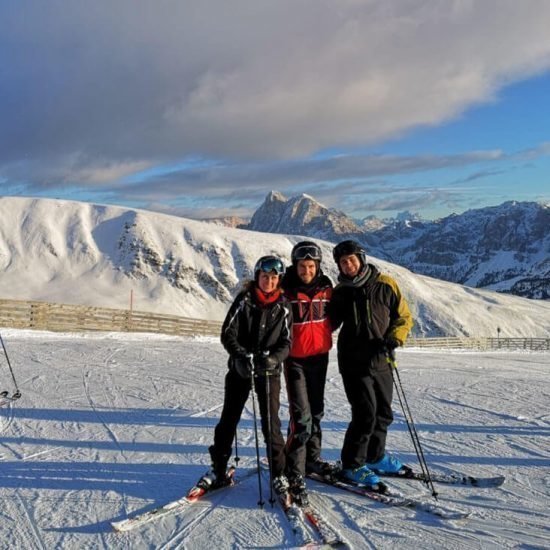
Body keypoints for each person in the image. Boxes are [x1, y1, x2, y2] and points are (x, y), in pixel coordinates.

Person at [206, 255, 293, 501]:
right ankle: (219, 468)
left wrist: (274, 359)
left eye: (273, 278)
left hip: (269, 372)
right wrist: (240, 356)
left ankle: (279, 473)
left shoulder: (284, 306)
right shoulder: (244, 300)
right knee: (228, 419)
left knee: (271, 424)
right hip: (240, 370)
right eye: (265, 277)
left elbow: (287, 342)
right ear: (257, 277)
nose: (268, 281)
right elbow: (227, 333)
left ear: (279, 280)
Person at [329, 240, 413, 488]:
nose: (348, 265)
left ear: (361, 259)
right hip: (353, 362)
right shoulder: (341, 292)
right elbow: (329, 323)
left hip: (382, 358)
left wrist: (395, 338)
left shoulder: (386, 284)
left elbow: (403, 316)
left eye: (351, 260)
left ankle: (374, 457)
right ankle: (352, 465)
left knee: (383, 413)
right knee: (365, 414)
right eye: (343, 263)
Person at [282, 241, 333, 506]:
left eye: (311, 265)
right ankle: (295, 471)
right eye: (302, 265)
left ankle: (312, 460)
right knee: (301, 417)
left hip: (320, 358)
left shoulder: (326, 288)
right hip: (295, 361)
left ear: (318, 266)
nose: (307, 270)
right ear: (295, 265)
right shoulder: (286, 290)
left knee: (317, 412)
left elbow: (333, 317)